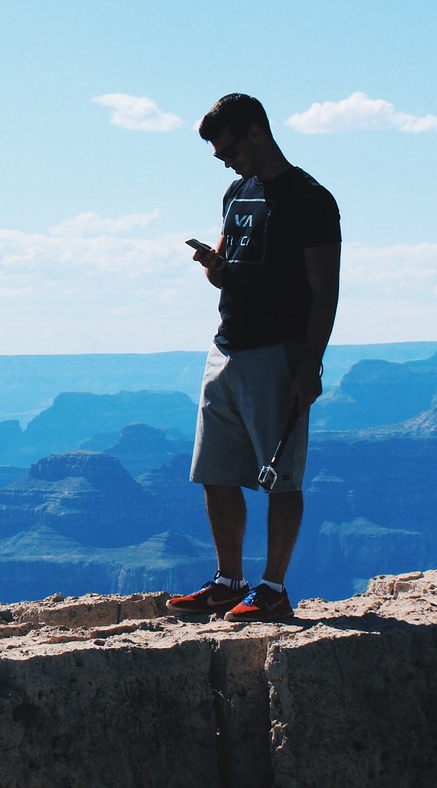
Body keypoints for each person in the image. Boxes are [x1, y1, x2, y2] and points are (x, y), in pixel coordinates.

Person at [167, 93, 341, 622]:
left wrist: (310, 364)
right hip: (226, 347)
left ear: (257, 131)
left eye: (228, 149)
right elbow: (229, 265)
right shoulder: (236, 193)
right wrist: (215, 267)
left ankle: (273, 588)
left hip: (278, 353)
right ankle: (228, 580)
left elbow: (324, 290)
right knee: (215, 471)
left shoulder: (311, 199)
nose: (224, 160)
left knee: (280, 477)